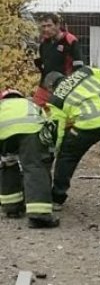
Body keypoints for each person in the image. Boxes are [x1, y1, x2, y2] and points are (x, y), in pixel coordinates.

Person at [44, 67, 100, 222]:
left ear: (51, 88)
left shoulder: (56, 98)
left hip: (89, 123)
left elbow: (58, 129)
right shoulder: (85, 71)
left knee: (67, 157)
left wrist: (54, 149)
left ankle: (58, 197)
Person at [0, 89, 58, 228]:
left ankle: (11, 207)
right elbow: (50, 125)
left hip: (3, 133)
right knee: (34, 167)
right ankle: (39, 215)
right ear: (21, 96)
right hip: (30, 130)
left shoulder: (1, 106)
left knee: (8, 163)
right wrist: (49, 152)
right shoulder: (31, 105)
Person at [33, 13, 84, 107]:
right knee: (36, 107)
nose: (46, 29)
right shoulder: (44, 43)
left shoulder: (69, 40)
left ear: (57, 25)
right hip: (46, 85)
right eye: (43, 26)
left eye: (49, 25)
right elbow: (41, 65)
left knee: (60, 112)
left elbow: (79, 67)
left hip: (64, 85)